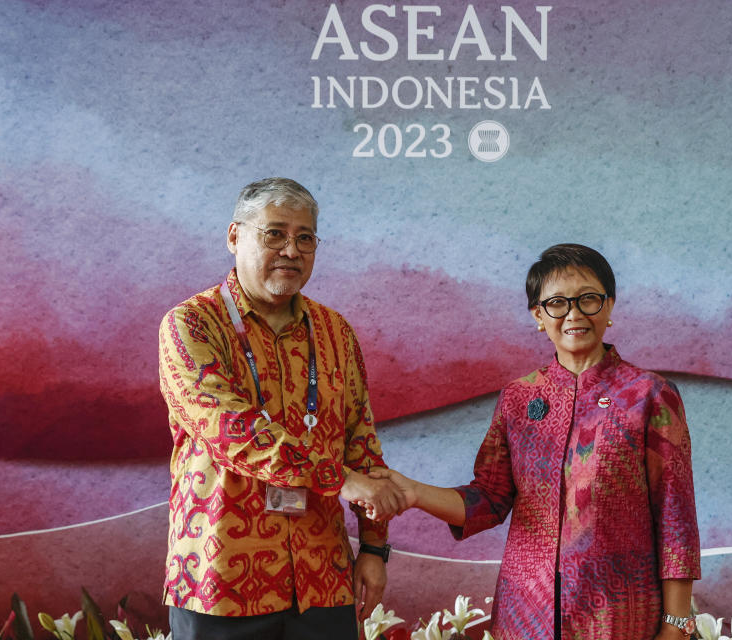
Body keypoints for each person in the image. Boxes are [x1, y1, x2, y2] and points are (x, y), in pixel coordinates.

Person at [374, 244, 701, 640]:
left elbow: (675, 517)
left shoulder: (648, 395)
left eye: (589, 299)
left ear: (610, 307)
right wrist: (413, 492)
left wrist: (677, 624)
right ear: (538, 315)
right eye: (557, 303)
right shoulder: (518, 398)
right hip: (525, 615)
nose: (574, 314)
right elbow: (490, 499)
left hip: (620, 617)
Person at [158, 177, 404, 640]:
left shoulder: (335, 332)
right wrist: (339, 480)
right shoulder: (190, 324)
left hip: (323, 576)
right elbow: (232, 429)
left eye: (304, 237)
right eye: (274, 233)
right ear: (234, 237)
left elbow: (361, 439)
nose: (291, 250)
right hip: (222, 575)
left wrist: (374, 546)